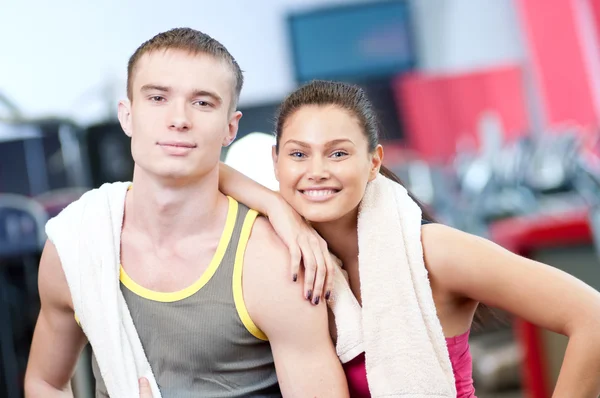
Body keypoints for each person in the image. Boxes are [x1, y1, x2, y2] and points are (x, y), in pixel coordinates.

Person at [220, 80, 600, 397]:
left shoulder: (434, 253)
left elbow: (592, 317)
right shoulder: (290, 260)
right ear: (275, 163)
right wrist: (276, 208)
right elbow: (200, 175)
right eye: (298, 154)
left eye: (337, 153)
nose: (316, 171)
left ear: (373, 162)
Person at [24, 28, 348, 397]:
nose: (179, 119)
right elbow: (44, 383)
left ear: (230, 128)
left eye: (203, 103)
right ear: (127, 116)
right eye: (158, 97)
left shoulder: (274, 263)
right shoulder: (78, 245)